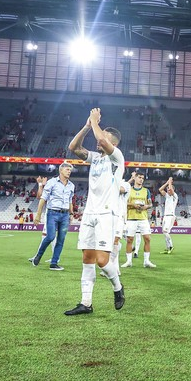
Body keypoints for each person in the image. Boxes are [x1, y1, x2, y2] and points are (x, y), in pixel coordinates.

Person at [63, 108, 125, 316]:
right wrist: (88, 126)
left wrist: (96, 122)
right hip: (89, 213)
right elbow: (73, 147)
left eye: (104, 139)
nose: (99, 141)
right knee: (87, 258)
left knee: (102, 261)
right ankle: (86, 303)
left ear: (113, 144)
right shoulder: (95, 158)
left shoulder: (117, 158)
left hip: (107, 215)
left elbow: (104, 141)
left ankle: (118, 287)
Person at [29, 161, 75, 271]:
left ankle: (54, 263)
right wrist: (38, 215)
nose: (69, 171)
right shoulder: (52, 182)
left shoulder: (71, 185)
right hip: (52, 213)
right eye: (67, 169)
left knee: (61, 240)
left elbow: (70, 201)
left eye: (70, 170)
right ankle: (38, 256)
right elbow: (43, 199)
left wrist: (71, 213)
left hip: (65, 215)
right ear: (61, 170)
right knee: (50, 236)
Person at [122, 171, 155, 268]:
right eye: (139, 177)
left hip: (143, 218)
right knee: (129, 240)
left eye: (142, 178)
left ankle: (146, 261)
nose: (141, 179)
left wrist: (145, 207)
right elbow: (124, 202)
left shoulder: (146, 191)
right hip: (131, 218)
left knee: (147, 239)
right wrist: (133, 205)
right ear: (135, 178)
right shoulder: (128, 190)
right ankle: (129, 261)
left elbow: (150, 204)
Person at [159, 177, 178, 254]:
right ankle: (167, 248)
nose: (168, 190)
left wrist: (170, 182)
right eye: (167, 189)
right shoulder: (167, 196)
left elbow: (171, 189)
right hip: (165, 216)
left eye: (169, 189)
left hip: (170, 216)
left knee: (165, 231)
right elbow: (160, 189)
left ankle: (171, 246)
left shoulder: (175, 196)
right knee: (164, 232)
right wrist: (167, 183)